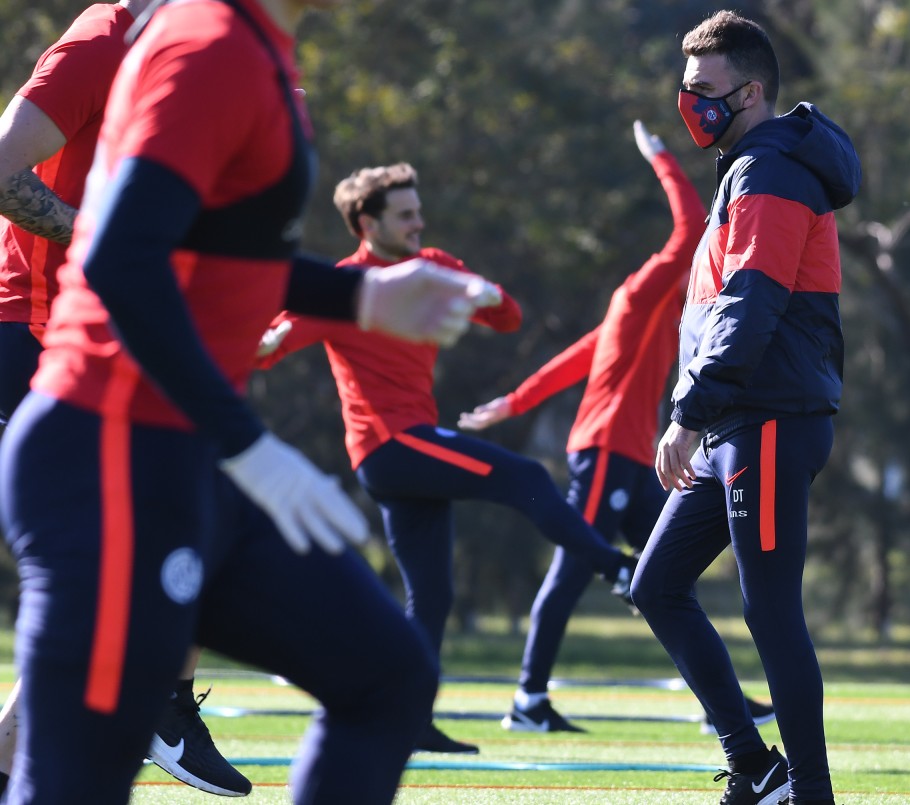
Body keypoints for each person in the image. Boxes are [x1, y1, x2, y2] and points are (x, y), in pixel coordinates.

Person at [0, 0, 493, 799]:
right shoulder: (212, 44)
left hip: (177, 451)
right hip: (110, 455)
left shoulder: (255, 45)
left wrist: (361, 298)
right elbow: (122, 256)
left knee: (387, 676)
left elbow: (213, 255)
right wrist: (247, 445)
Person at [255, 161, 639, 751]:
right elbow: (267, 349)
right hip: (390, 447)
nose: (418, 223)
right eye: (405, 215)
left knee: (432, 598)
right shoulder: (344, 286)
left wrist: (487, 292)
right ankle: (618, 569)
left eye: (418, 212)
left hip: (411, 450)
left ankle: (408, 722)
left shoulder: (432, 266)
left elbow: (509, 319)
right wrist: (266, 339)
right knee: (525, 475)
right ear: (367, 223)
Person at [0, 0, 247, 797]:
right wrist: (104, 239)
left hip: (101, 339)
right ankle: (161, 705)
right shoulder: (102, 41)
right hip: (33, 337)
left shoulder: (186, 53)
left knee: (141, 547)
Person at [461, 121, 773, 737]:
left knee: (667, 576)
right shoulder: (636, 296)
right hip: (604, 451)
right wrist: (661, 158)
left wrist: (514, 403)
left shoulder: (655, 317)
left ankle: (722, 706)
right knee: (573, 569)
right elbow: (690, 227)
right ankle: (528, 700)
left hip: (633, 459)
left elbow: (576, 359)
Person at [629, 11, 860, 805]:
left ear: (751, 91)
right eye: (685, 85)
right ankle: (758, 766)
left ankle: (809, 790)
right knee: (656, 583)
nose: (689, 101)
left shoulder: (770, 171)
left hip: (767, 420)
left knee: (770, 611)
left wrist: (687, 413)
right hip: (739, 421)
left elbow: (751, 305)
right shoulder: (747, 168)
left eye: (703, 87)